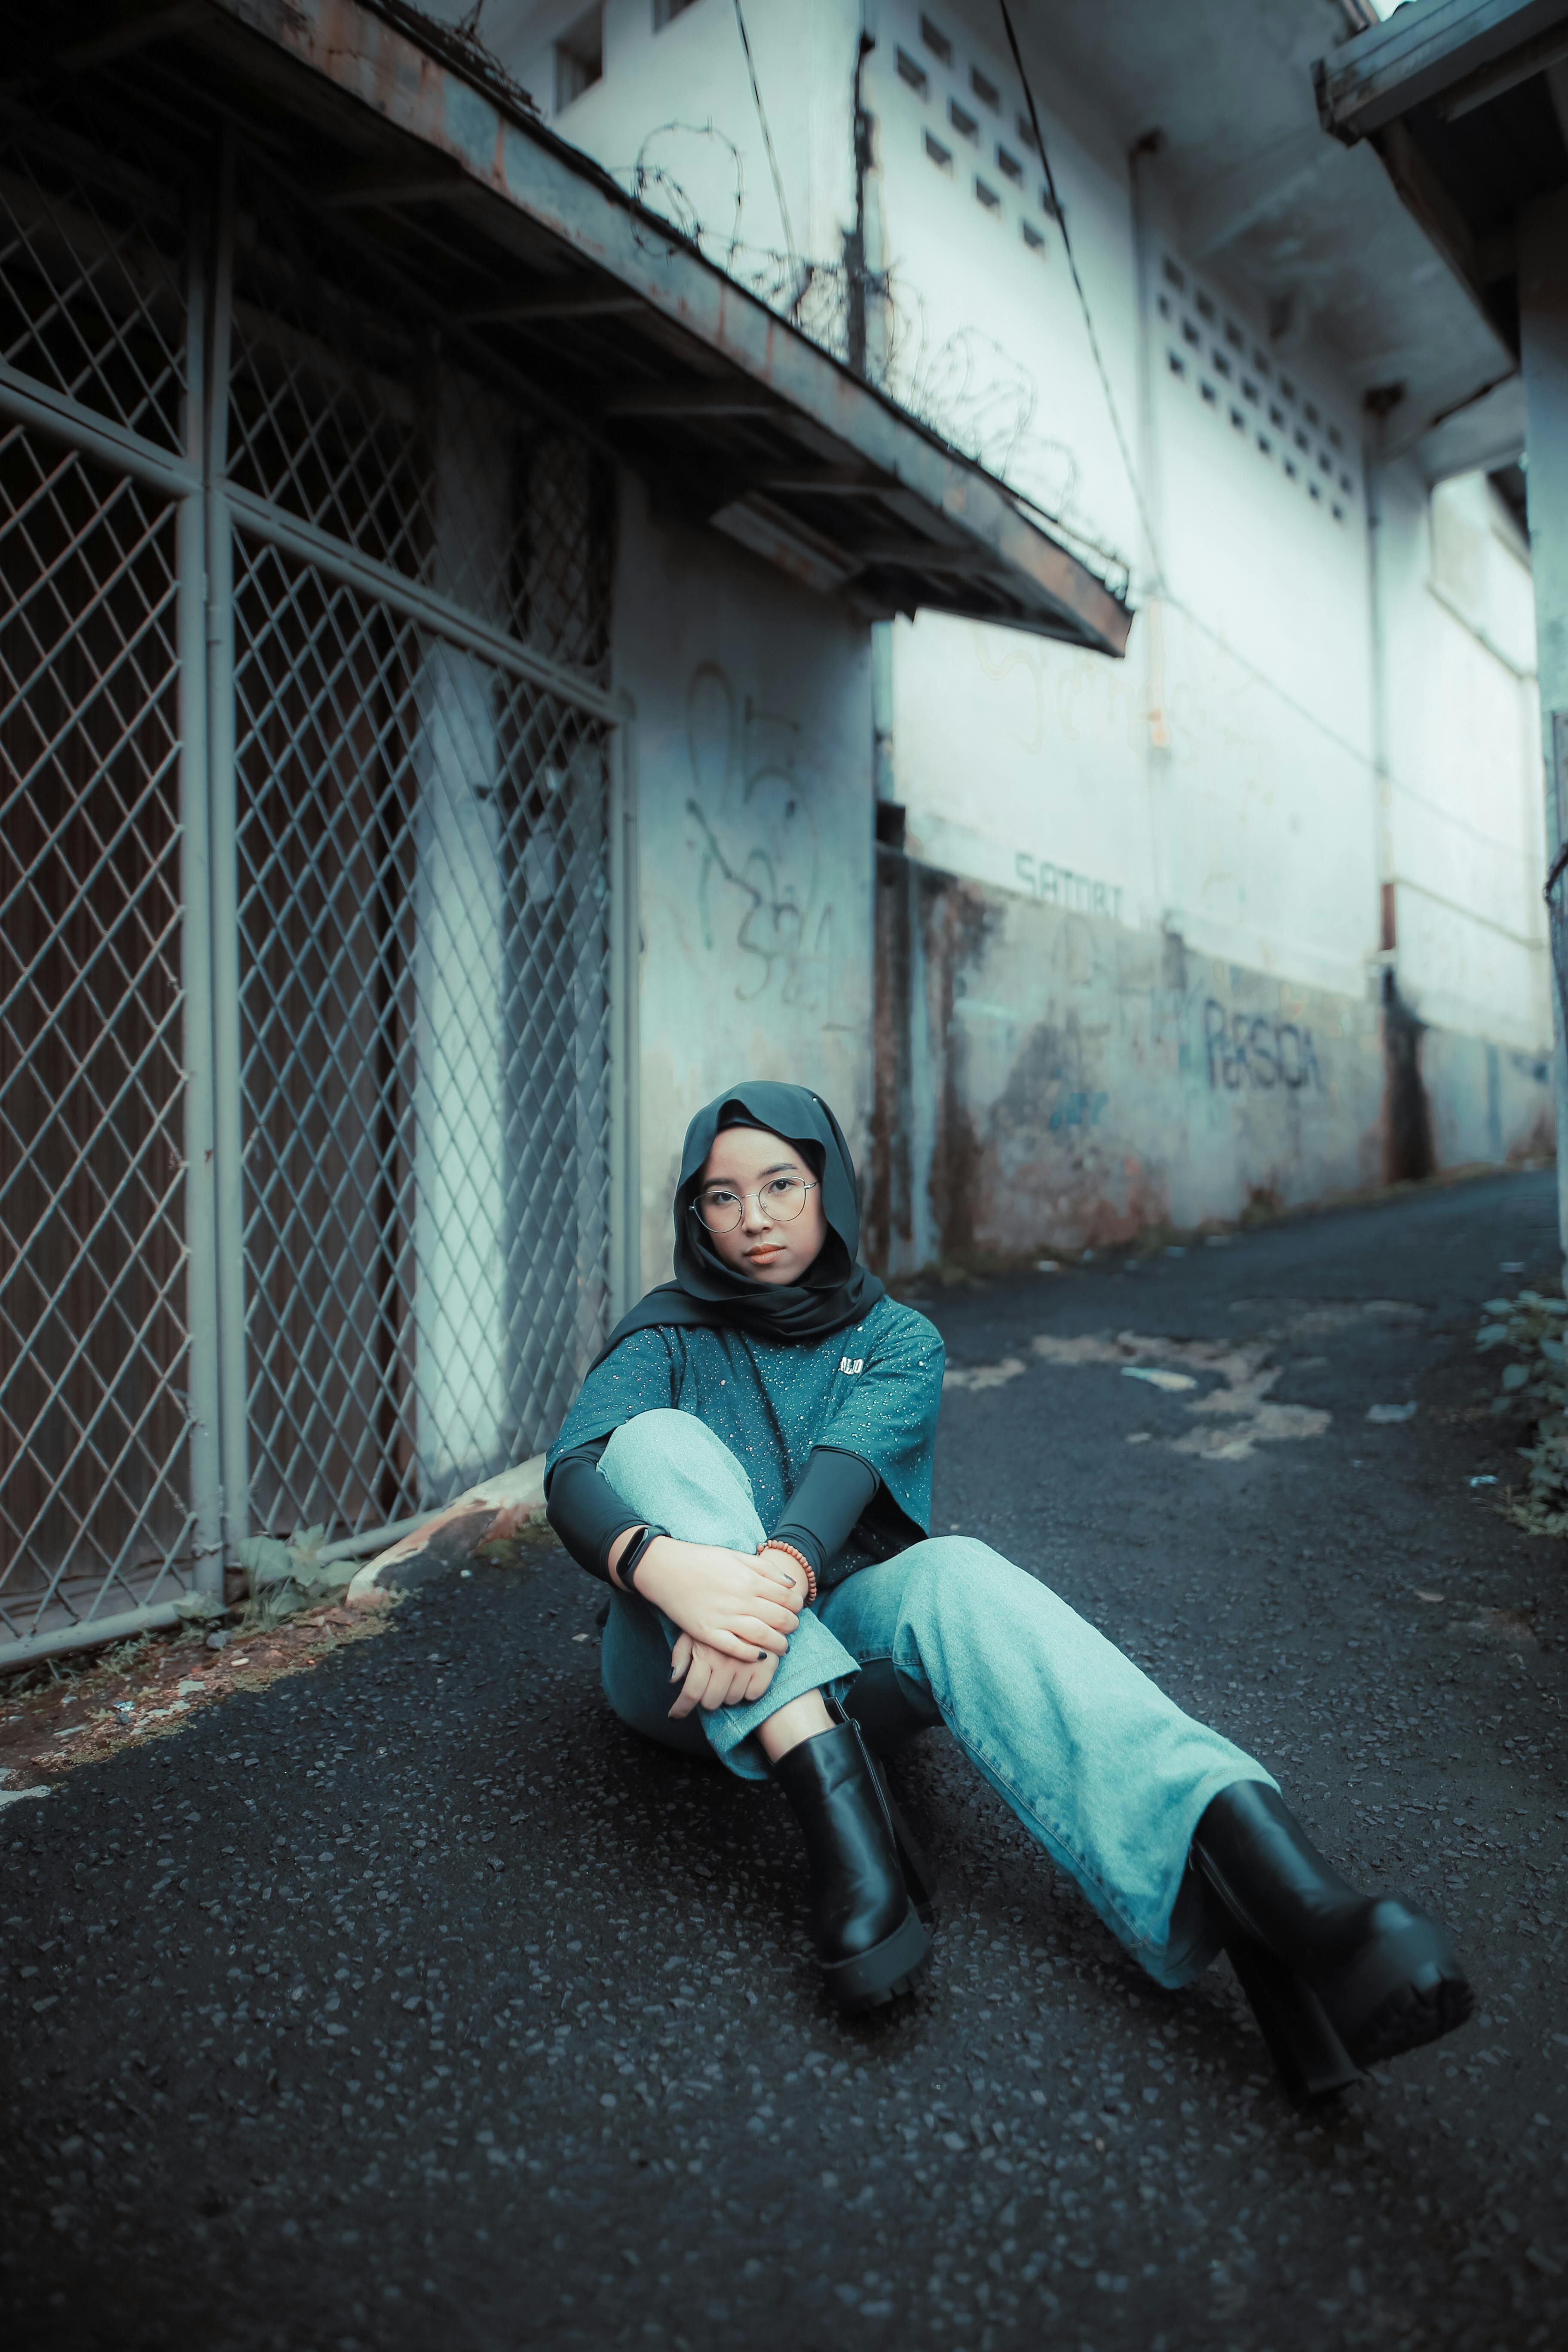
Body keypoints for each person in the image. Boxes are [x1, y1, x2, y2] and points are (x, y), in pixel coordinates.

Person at [545, 1081, 1473, 2099]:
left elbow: (832, 1493)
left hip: (813, 1626)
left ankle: (1295, 1899)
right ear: (696, 1213)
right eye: (722, 1197)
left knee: (960, 1572)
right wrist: (666, 1568)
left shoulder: (895, 1342)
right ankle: (855, 1852)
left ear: (831, 1189)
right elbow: (575, 1472)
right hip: (669, 1674)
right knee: (654, 1439)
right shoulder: (668, 1333)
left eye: (782, 1184)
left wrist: (759, 1600)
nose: (754, 1218)